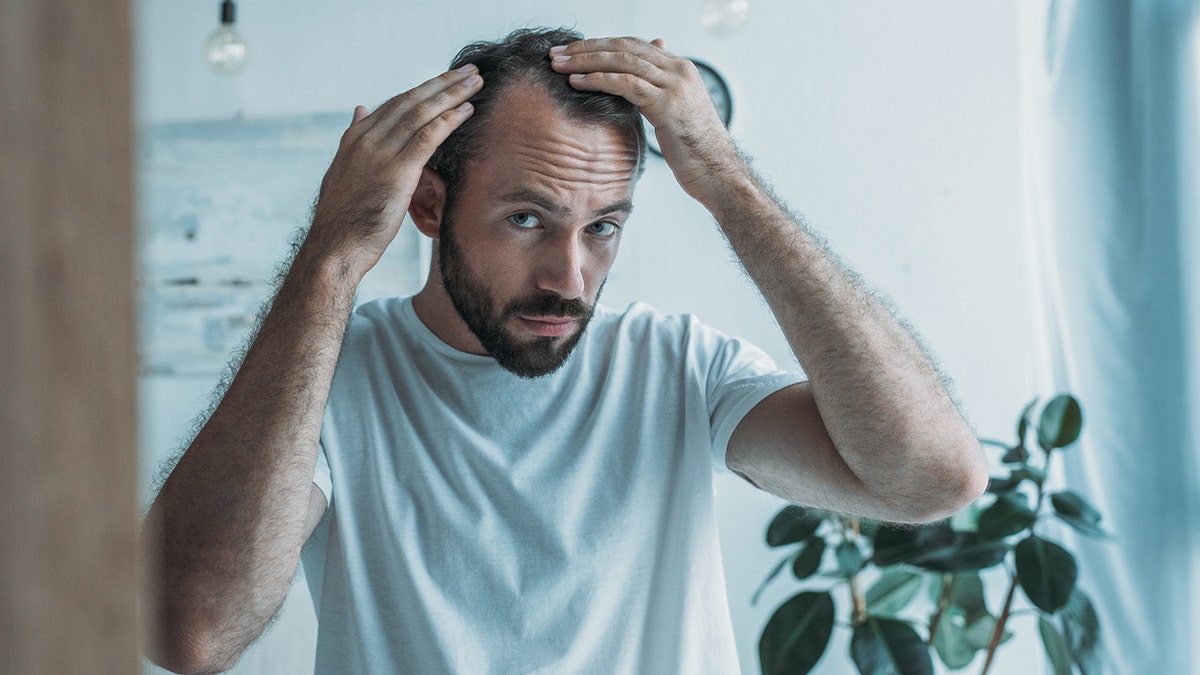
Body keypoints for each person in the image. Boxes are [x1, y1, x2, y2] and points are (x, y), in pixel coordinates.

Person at [146, 27, 987, 675]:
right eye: (527, 219)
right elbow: (190, 630)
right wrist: (331, 256)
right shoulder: (331, 377)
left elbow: (931, 479)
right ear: (429, 206)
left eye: (603, 227)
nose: (571, 277)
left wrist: (726, 180)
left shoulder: (679, 366)